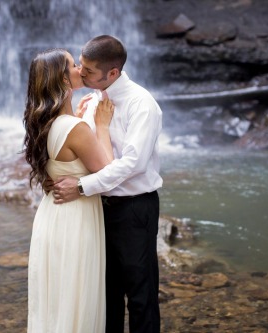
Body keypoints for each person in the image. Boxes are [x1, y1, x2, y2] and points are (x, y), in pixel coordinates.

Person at [51, 35, 163, 333]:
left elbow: (133, 164)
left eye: (87, 70)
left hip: (133, 209)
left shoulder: (142, 104)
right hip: (98, 210)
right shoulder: (90, 101)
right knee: (105, 293)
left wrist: (82, 187)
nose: (80, 73)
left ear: (112, 73)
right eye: (80, 65)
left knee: (141, 294)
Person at [23, 48, 115, 333]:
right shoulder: (76, 128)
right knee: (77, 298)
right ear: (63, 80)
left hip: (51, 218)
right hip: (75, 221)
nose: (81, 69)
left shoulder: (43, 122)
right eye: (74, 65)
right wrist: (101, 125)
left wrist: (80, 116)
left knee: (56, 301)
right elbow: (109, 171)